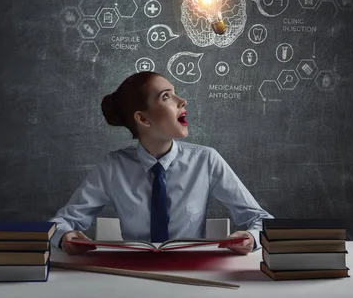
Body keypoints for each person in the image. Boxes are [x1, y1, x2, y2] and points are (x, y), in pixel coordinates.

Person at [49, 71, 274, 255]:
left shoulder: (206, 160)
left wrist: (250, 237)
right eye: (166, 97)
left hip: (192, 275)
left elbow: (261, 219)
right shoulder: (113, 166)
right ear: (143, 119)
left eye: (175, 94)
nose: (182, 101)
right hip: (132, 276)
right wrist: (64, 237)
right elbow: (61, 222)